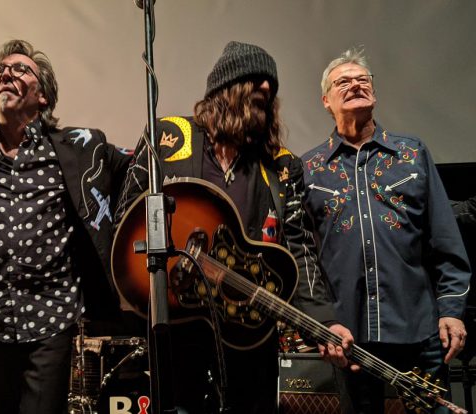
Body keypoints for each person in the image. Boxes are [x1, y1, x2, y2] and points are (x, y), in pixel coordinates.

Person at [114, 41, 354, 414]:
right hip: (178, 320)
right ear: (224, 89)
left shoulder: (282, 166)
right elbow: (127, 215)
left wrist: (323, 320)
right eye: (254, 83)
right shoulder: (169, 136)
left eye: (270, 90)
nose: (266, 91)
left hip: (250, 327)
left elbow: (299, 249)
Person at [0, 39, 130, 414]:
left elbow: (139, 172)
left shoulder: (81, 147)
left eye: (21, 69)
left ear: (44, 96)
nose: (6, 74)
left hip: (51, 319)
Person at [302, 47, 471, 413]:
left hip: (420, 330)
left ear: (374, 92)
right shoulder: (310, 169)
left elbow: (446, 240)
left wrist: (453, 309)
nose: (355, 85)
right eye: (342, 81)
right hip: (350, 337)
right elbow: (306, 259)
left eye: (362, 79)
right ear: (326, 101)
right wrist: (321, 323)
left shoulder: (412, 154)